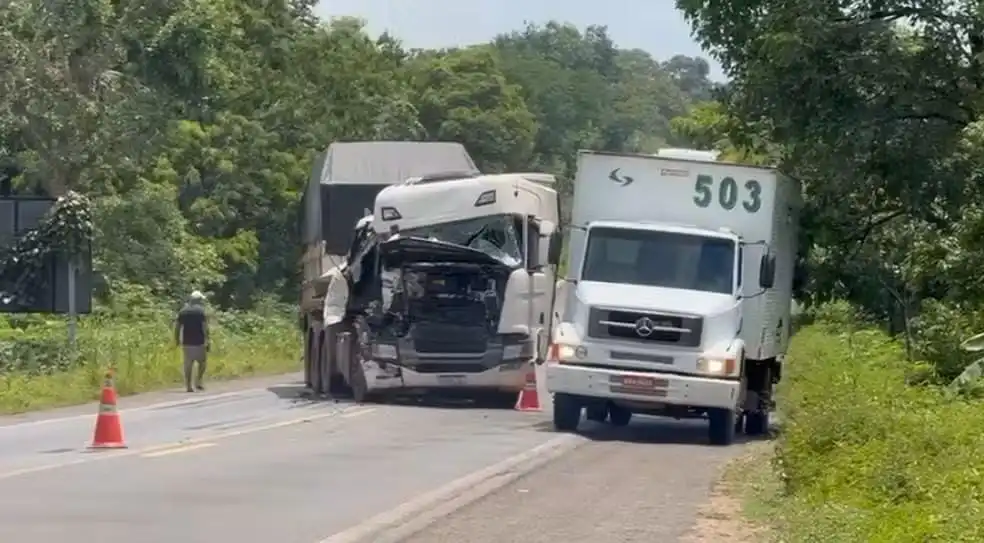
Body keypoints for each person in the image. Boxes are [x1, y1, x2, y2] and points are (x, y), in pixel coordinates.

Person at [175, 290, 210, 392]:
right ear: (198, 300)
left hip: (187, 341)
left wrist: (177, 339)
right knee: (202, 362)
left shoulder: (183, 311)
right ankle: (198, 381)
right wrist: (208, 340)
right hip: (199, 341)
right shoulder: (200, 311)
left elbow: (177, 327)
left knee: (188, 364)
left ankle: (188, 386)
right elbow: (205, 327)